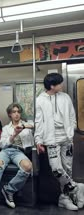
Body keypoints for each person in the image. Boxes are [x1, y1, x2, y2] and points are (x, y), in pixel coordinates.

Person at [34, 73, 84, 211]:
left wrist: (71, 131)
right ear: (52, 86)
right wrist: (38, 139)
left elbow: (72, 115)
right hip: (51, 140)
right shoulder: (40, 100)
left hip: (66, 139)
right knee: (57, 169)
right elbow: (38, 121)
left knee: (67, 169)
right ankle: (77, 188)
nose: (62, 85)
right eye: (59, 83)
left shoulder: (65, 97)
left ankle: (65, 198)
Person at [0, 103, 33, 213]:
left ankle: (9, 190)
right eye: (14, 112)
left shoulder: (27, 125)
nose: (17, 114)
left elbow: (34, 125)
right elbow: (2, 145)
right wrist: (14, 134)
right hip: (6, 151)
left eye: (18, 111)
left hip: (19, 151)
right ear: (9, 114)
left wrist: (24, 126)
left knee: (28, 167)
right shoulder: (6, 128)